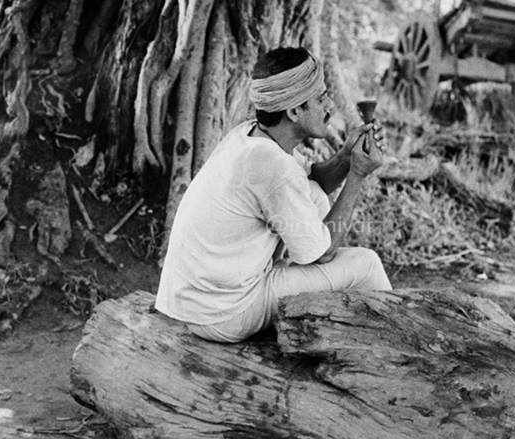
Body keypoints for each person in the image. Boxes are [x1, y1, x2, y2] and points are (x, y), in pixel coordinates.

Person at [155, 46, 392, 343]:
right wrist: (357, 175)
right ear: (294, 111)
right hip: (225, 313)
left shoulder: (250, 135)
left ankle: (355, 329)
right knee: (365, 263)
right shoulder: (272, 167)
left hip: (199, 302)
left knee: (315, 194)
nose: (329, 105)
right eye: (320, 98)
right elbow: (325, 254)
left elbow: (312, 178)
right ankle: (399, 342)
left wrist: (345, 156)